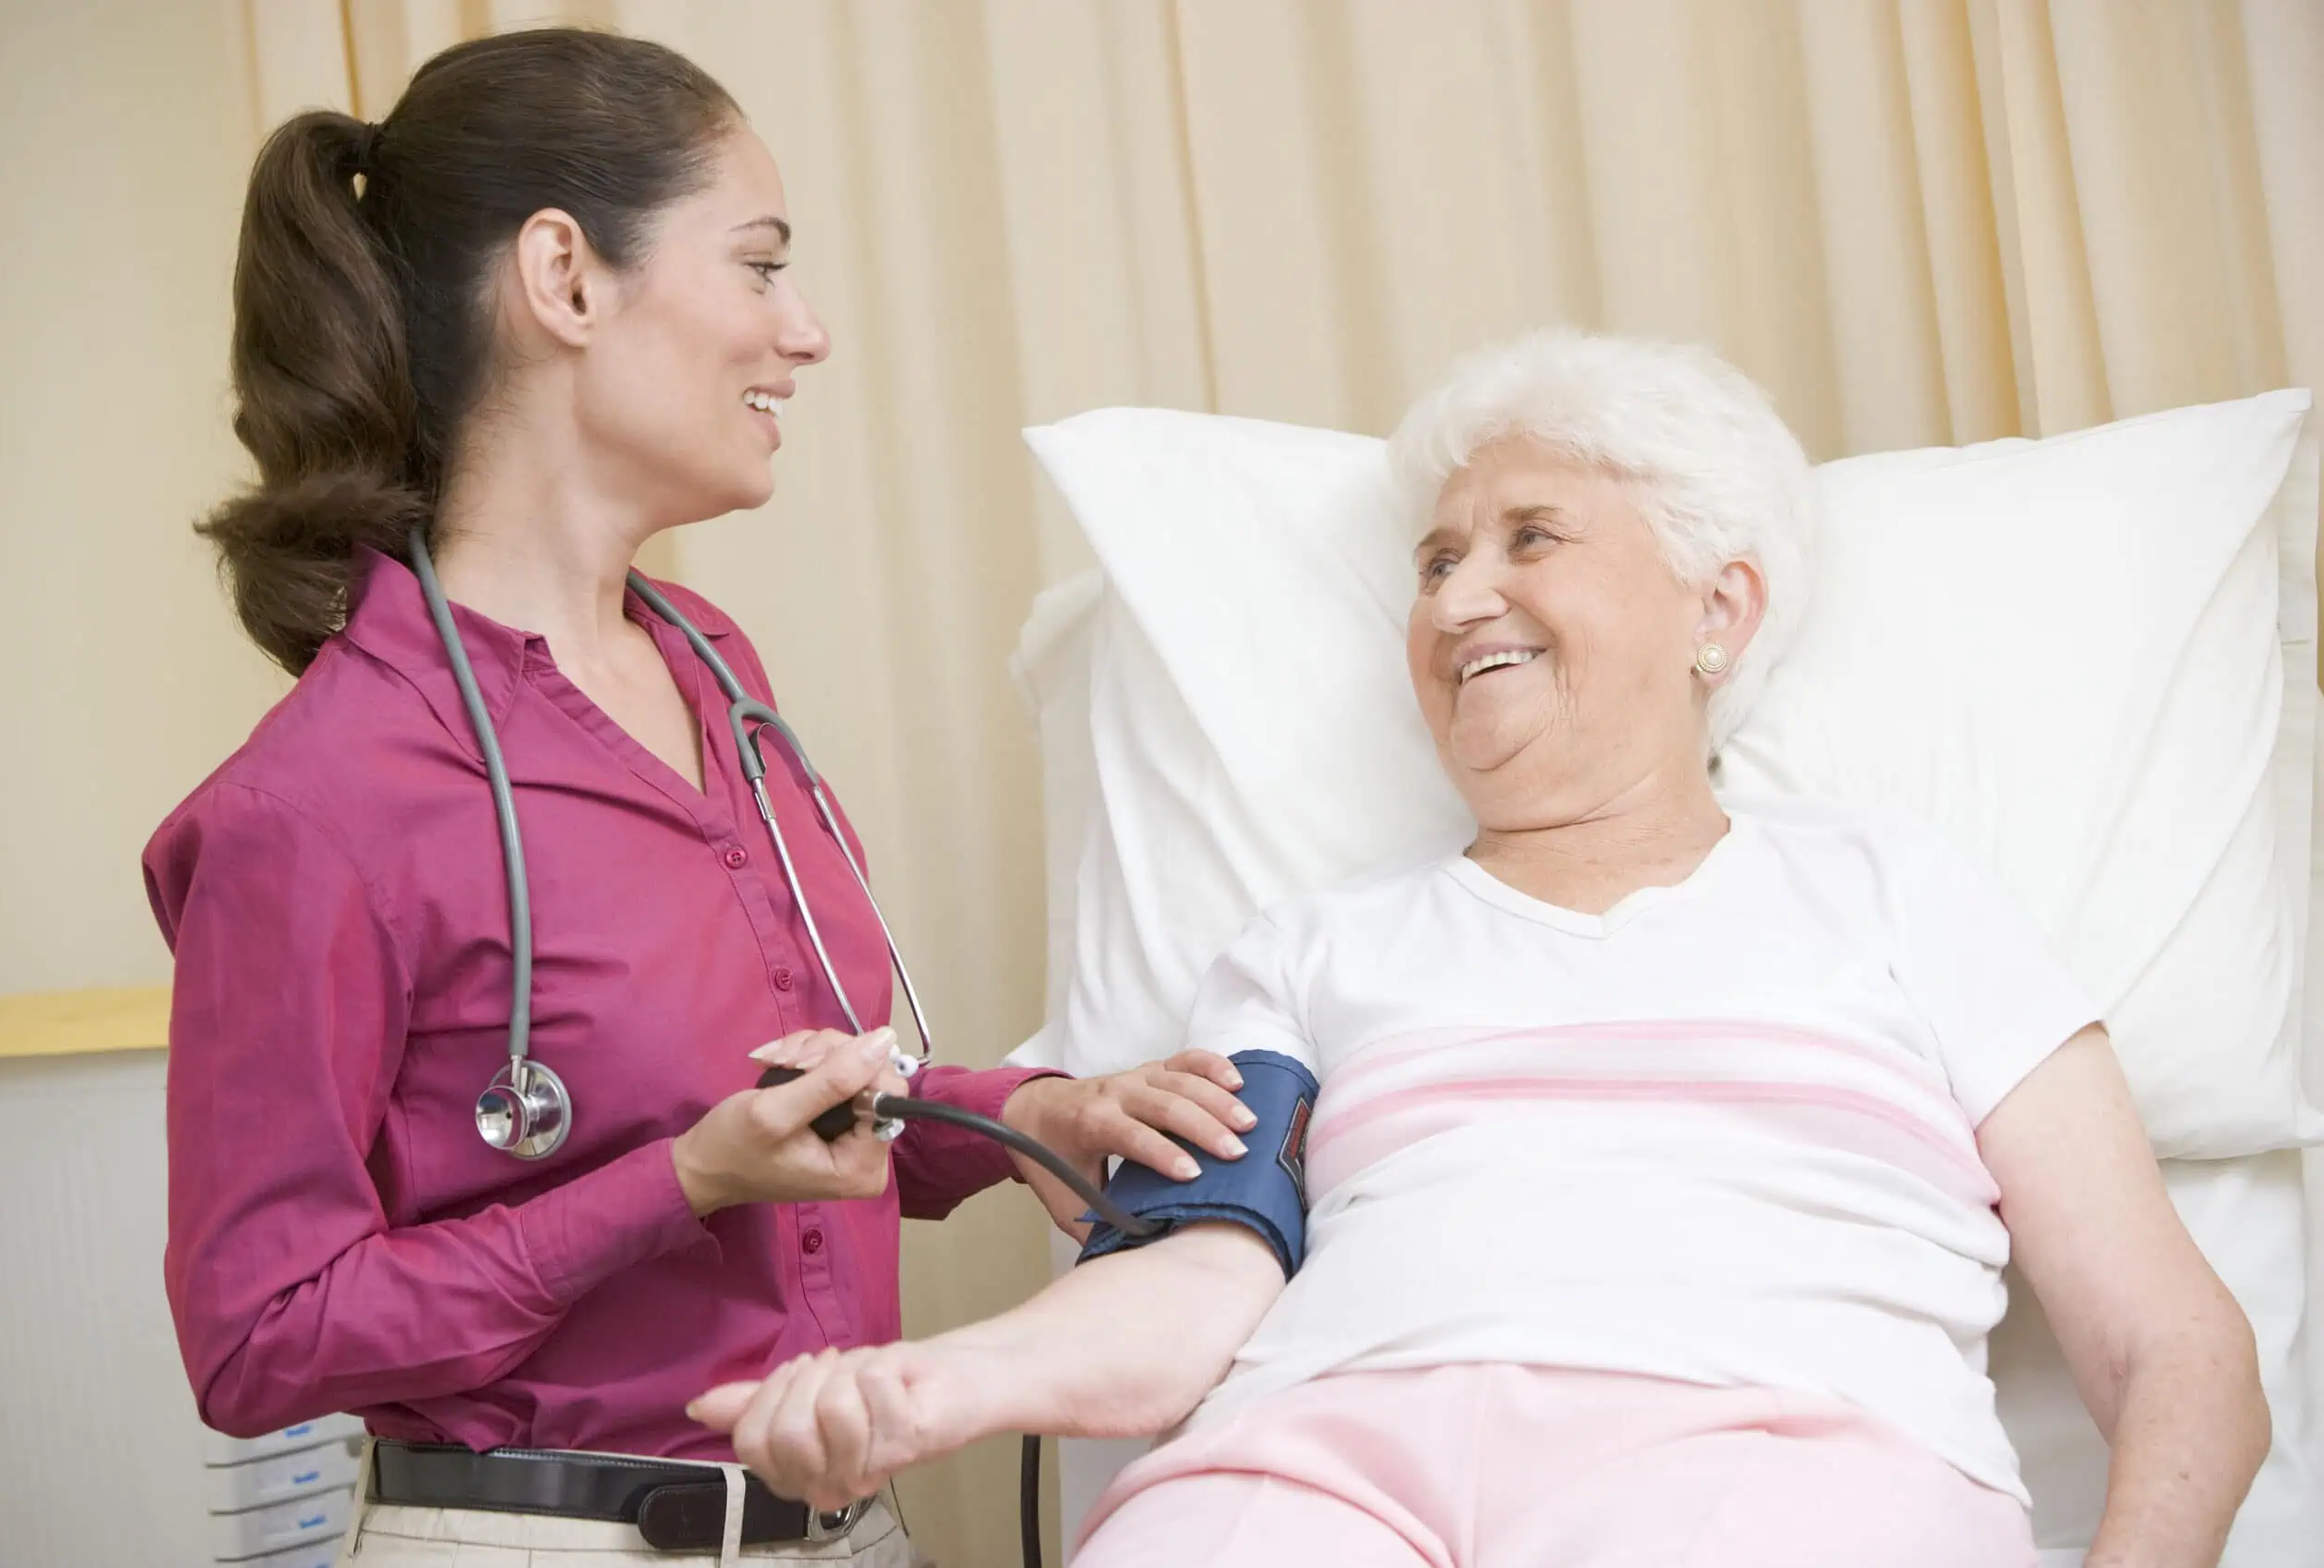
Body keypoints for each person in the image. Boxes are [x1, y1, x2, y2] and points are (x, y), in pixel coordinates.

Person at [693, 331, 2273, 1567]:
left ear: (1717, 605)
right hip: (1322, 1461)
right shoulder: (1310, 949)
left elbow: (2173, 1341)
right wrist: (935, 1388)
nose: (1463, 598)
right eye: (1437, 562)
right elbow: (1196, 1290)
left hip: (1774, 1451)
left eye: (1533, 538)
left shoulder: (1902, 897)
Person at [144, 28, 1253, 1568]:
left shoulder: (716, 672)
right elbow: (261, 1338)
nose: (803, 334)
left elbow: (809, 1110)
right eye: (758, 265)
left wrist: (1025, 1115)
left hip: (854, 1528)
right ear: (567, 280)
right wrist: (673, 1187)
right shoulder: (319, 799)